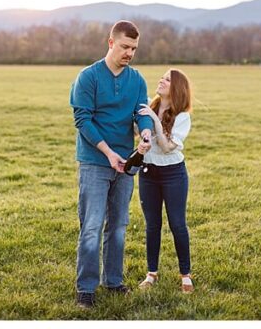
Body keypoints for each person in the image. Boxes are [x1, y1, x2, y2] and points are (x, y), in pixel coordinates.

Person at [69, 20, 154, 309]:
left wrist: (145, 132)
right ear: (110, 43)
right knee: (92, 226)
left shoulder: (137, 80)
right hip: (95, 161)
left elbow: (141, 112)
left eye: (134, 48)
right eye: (125, 47)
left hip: (126, 164)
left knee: (118, 226)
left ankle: (114, 281)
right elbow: (83, 120)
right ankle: (86, 288)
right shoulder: (88, 77)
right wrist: (107, 152)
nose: (129, 53)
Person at [136, 69, 194, 293]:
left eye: (167, 79)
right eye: (162, 76)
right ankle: (151, 273)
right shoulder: (149, 107)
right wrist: (142, 140)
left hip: (173, 174)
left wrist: (154, 121)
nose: (161, 80)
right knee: (152, 225)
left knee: (177, 224)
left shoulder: (182, 116)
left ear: (177, 88)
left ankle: (185, 274)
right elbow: (138, 132)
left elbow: (168, 146)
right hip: (148, 173)